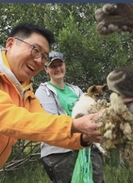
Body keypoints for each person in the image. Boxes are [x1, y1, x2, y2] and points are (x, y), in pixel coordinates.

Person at [0, 23, 102, 183]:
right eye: (35, 50)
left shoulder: (25, 92)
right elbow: (3, 116)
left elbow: (47, 127)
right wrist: (73, 125)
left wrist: (85, 137)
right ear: (10, 44)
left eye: (44, 57)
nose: (39, 60)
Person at [36, 51, 105, 183]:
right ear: (46, 69)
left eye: (60, 65)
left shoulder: (76, 90)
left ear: (64, 65)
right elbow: (52, 122)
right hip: (59, 152)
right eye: (53, 66)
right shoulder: (43, 91)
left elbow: (89, 113)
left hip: (84, 147)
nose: (57, 69)